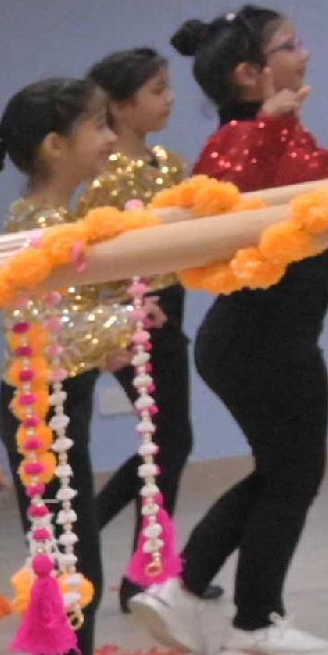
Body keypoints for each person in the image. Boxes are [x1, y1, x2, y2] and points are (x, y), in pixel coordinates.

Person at [134, 8, 328, 655]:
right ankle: (252, 618)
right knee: (295, 474)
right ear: (249, 73)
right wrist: (268, 123)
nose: (304, 53)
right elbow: (230, 190)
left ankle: (189, 590)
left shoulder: (286, 133)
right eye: (289, 46)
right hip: (257, 338)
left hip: (276, 337)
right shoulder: (234, 141)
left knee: (285, 471)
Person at [0, 78, 167, 655]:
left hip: (47, 403)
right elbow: (45, 325)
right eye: (99, 128)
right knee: (74, 562)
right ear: (57, 146)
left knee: (57, 558)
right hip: (41, 410)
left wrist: (109, 332)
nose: (111, 141)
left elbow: (59, 321)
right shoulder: (41, 225)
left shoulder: (48, 217)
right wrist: (126, 319)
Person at [77, 46, 197, 617]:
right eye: (155, 90)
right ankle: (142, 571)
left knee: (169, 442)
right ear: (121, 108)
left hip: (170, 304)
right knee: (169, 442)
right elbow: (94, 262)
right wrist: (112, 335)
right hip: (134, 313)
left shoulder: (168, 161)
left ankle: (141, 571)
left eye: (167, 86)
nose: (169, 98)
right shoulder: (104, 181)